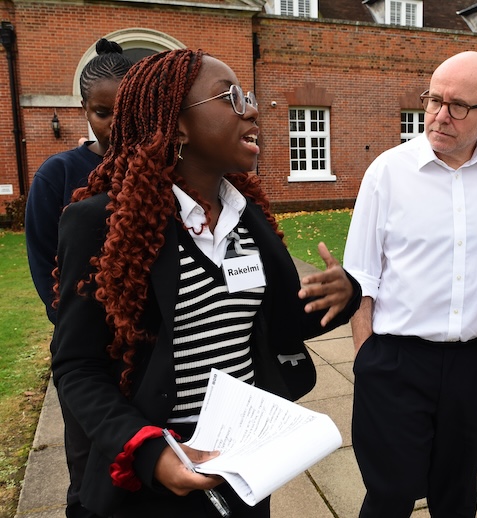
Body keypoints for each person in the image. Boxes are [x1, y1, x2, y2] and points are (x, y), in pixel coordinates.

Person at [50, 49, 361, 518]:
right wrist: (151, 452)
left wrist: (343, 295)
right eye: (229, 97)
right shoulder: (104, 223)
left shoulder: (247, 217)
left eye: (246, 96)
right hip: (157, 476)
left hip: (244, 463)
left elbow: (276, 325)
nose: (251, 110)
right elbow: (77, 366)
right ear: (176, 126)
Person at [343, 51, 477, 517]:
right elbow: (361, 277)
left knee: (457, 492)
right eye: (434, 100)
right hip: (397, 362)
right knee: (390, 492)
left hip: (476, 365)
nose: (440, 116)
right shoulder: (388, 172)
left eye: (458, 106)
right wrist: (364, 360)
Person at [25, 38, 134, 518]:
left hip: (146, 347)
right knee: (91, 469)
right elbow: (44, 263)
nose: (115, 123)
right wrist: (81, 329)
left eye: (125, 110)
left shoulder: (159, 171)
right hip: (88, 351)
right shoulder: (59, 173)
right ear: (85, 111)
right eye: (102, 112)